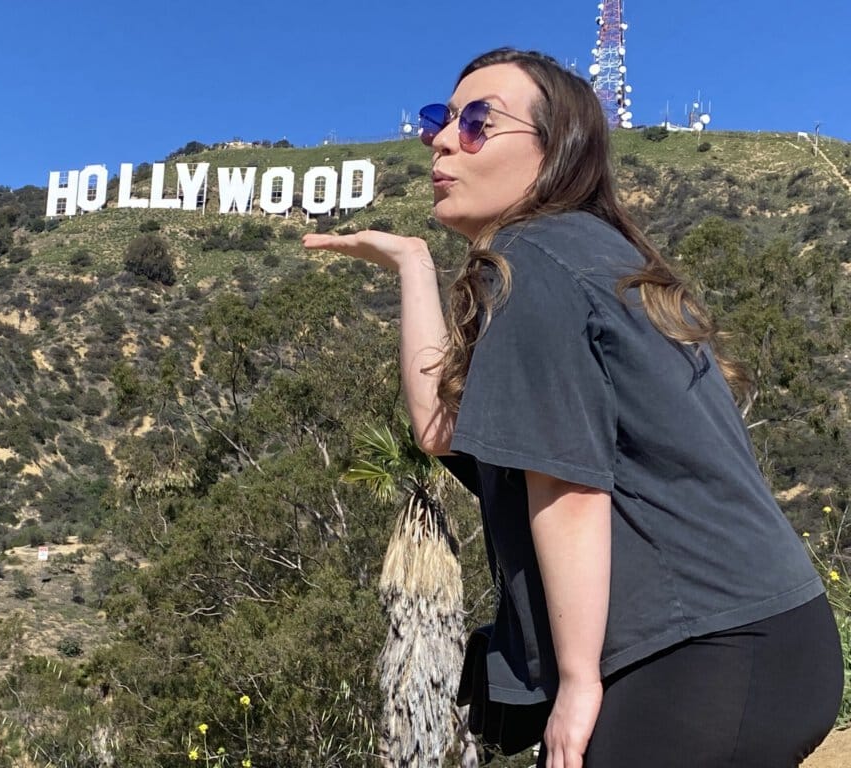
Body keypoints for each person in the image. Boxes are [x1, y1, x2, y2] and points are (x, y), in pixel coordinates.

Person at [303, 48, 843, 768]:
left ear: (554, 151)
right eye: (441, 119)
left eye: (475, 122)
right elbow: (440, 430)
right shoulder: (582, 255)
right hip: (757, 637)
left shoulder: (541, 260)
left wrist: (579, 685)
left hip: (703, 651)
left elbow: (568, 487)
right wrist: (411, 265)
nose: (438, 138)